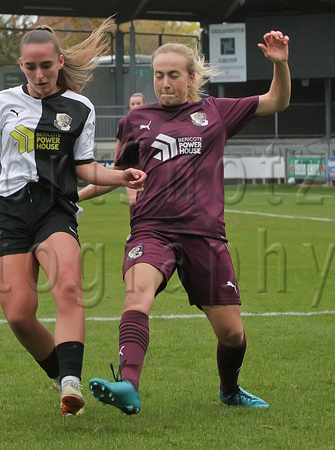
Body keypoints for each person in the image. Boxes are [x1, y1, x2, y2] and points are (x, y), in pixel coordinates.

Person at [0, 19, 146, 416]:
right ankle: (62, 376)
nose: (40, 74)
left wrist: (119, 175)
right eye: (31, 67)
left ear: (60, 61)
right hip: (10, 213)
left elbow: (85, 166)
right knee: (20, 316)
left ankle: (72, 384)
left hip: (55, 209)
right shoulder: (3, 102)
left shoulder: (80, 107)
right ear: (21, 65)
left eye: (46, 65)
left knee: (69, 290)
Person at [80, 30, 291, 415]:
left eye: (173, 75)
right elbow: (118, 173)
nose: (164, 83)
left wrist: (279, 64)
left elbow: (277, 101)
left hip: (205, 236)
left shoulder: (216, 112)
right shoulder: (136, 120)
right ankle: (128, 383)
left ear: (191, 77)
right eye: (158, 75)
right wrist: (72, 199)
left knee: (231, 333)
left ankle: (230, 389)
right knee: (137, 295)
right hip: (151, 230)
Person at [118, 93, 145, 205]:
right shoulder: (124, 122)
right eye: (132, 104)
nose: (135, 106)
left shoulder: (151, 121)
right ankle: (134, 222)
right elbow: (119, 142)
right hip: (131, 167)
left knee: (144, 199)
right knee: (133, 200)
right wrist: (117, 161)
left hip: (145, 166)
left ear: (144, 104)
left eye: (138, 103)